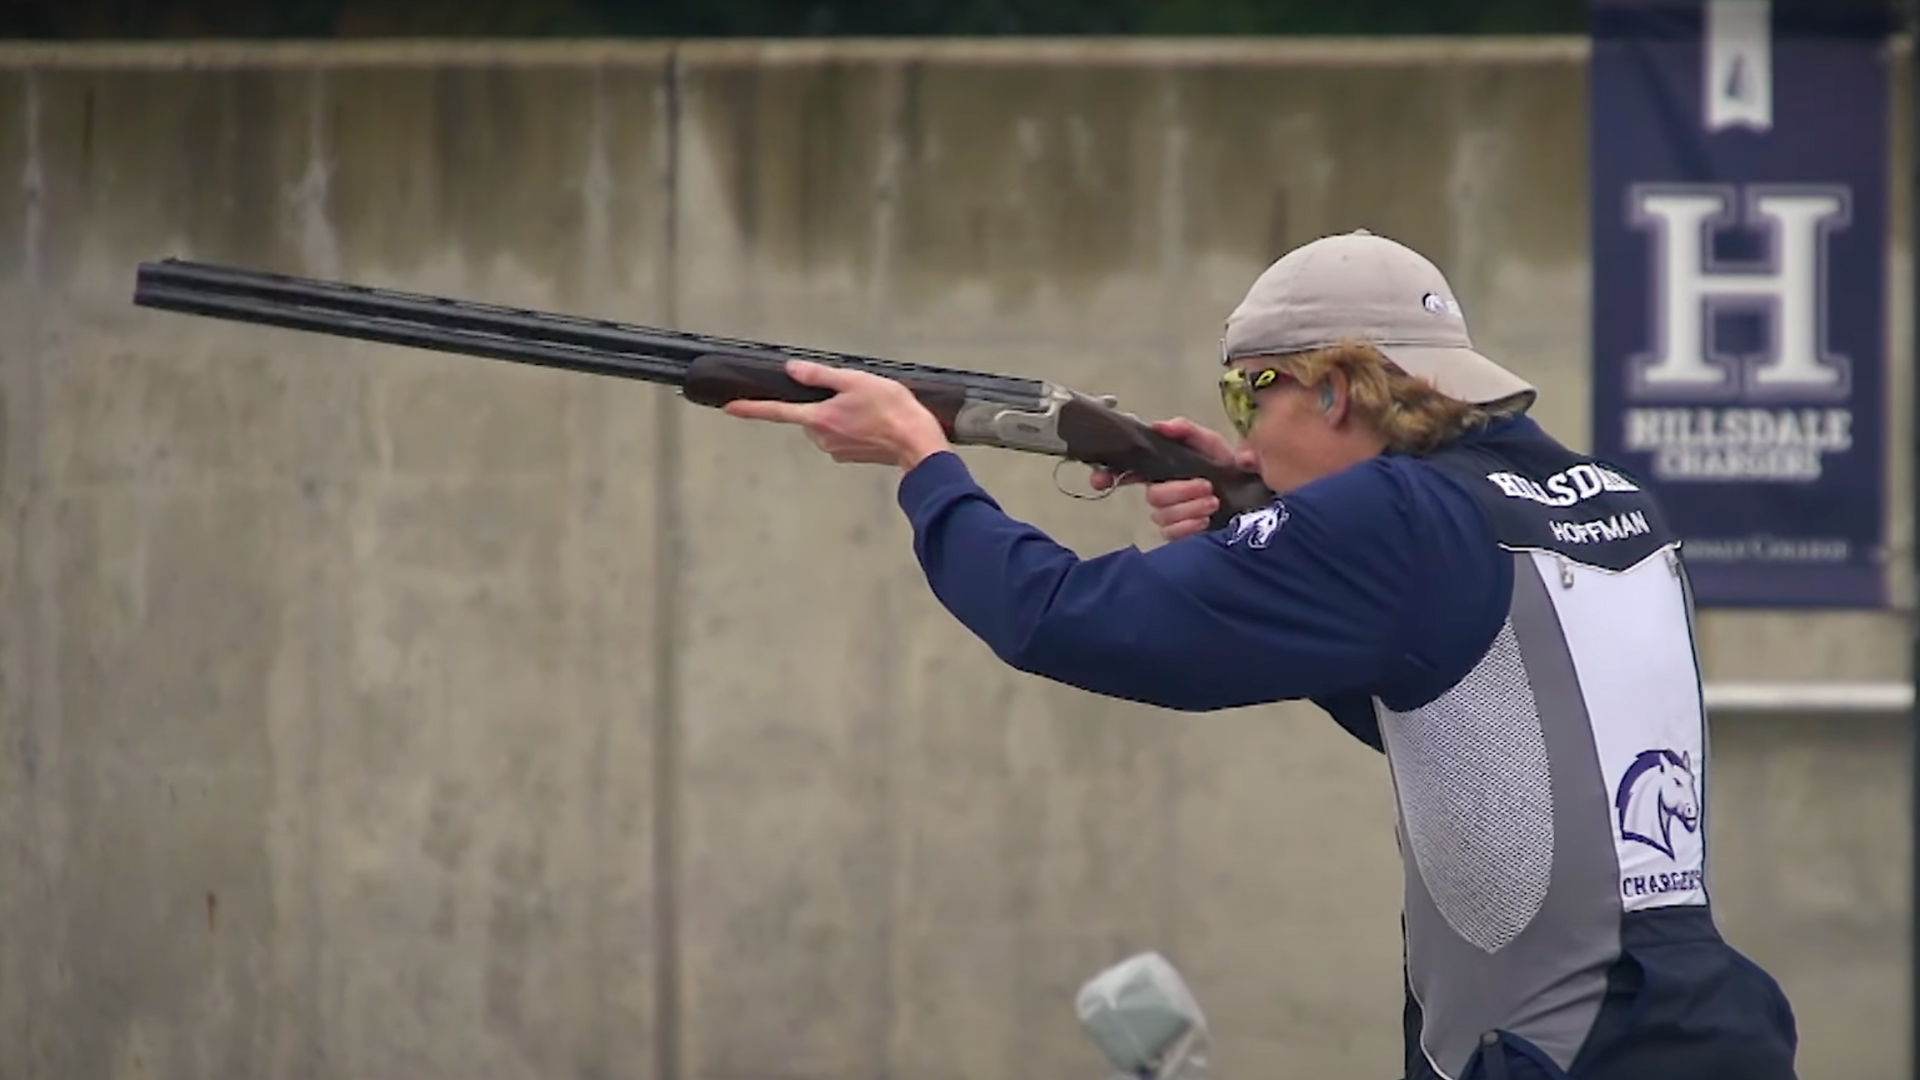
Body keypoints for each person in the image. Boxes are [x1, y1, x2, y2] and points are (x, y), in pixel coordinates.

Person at [720, 229, 1800, 1080]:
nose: (1245, 432)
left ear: (1334, 388)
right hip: (1712, 1029)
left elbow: (1060, 616)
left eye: (1252, 394)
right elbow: (1461, 713)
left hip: (1560, 1055)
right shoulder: (1605, 502)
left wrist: (922, 465)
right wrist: (1255, 516)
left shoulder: (1398, 521)